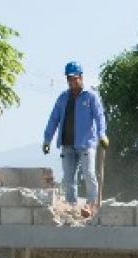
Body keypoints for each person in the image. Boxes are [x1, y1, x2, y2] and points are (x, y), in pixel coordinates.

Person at [42, 61, 108, 205]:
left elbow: (100, 117)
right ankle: (71, 206)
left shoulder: (91, 96)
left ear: (81, 77)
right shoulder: (63, 98)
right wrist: (47, 140)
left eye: (74, 78)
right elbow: (54, 119)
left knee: (89, 174)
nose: (71, 81)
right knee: (69, 178)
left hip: (86, 144)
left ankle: (91, 206)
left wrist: (102, 135)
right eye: (69, 79)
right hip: (67, 144)